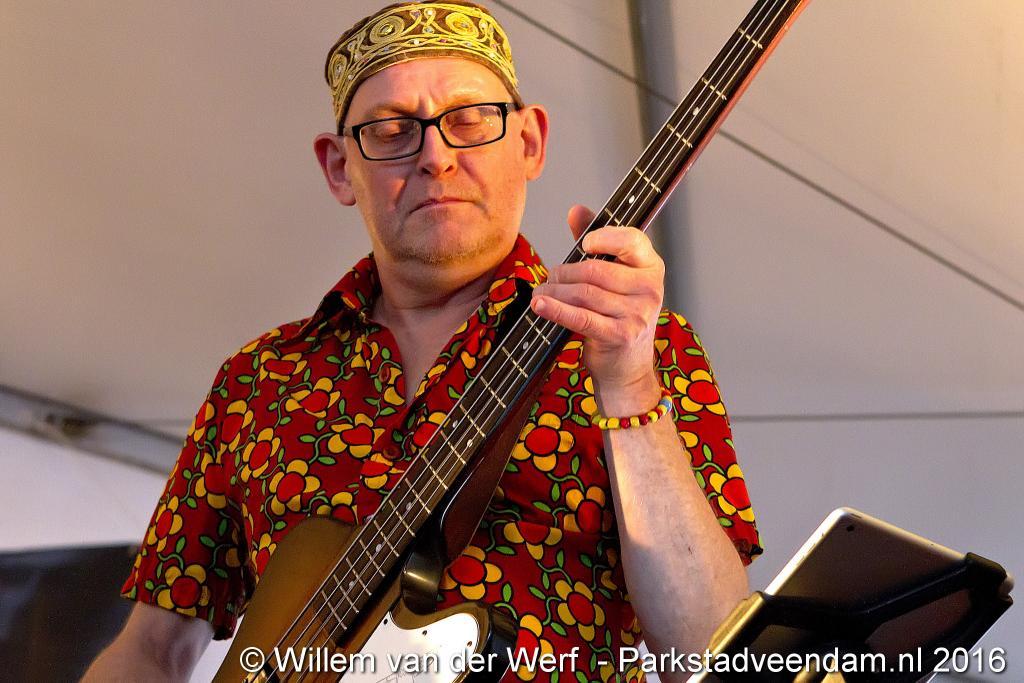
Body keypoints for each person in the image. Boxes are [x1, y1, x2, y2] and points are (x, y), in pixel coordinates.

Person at [85, 2, 761, 681]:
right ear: (338, 168)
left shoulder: (641, 343)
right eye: (391, 131)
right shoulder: (258, 380)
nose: (436, 157)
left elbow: (706, 651)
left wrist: (627, 383)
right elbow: (150, 649)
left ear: (529, 141)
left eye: (470, 120)